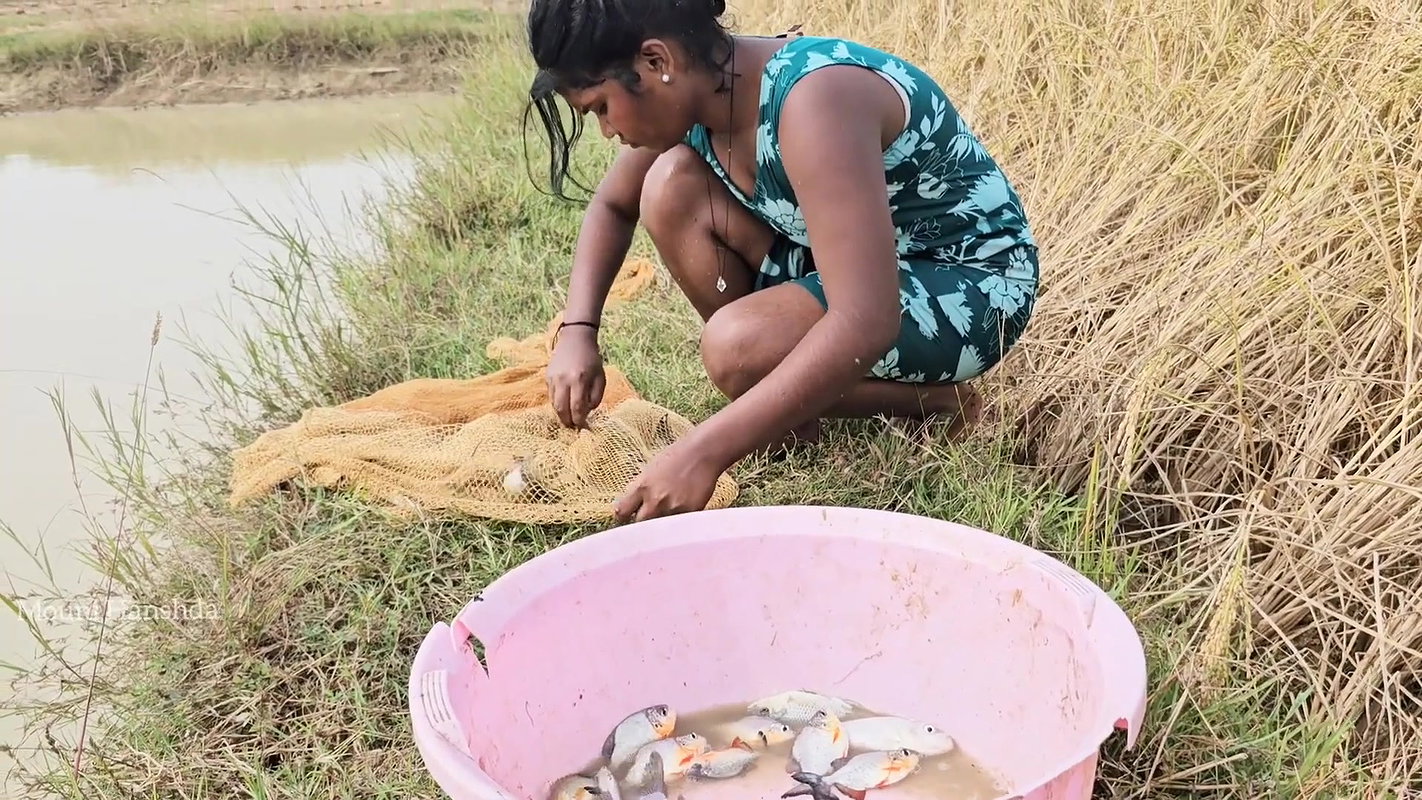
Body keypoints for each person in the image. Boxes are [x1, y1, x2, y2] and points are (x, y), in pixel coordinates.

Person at [523, 0, 1039, 523]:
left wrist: (702, 453)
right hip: (852, 262)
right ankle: (791, 411)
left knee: (736, 348)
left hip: (971, 283)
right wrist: (578, 331)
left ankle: (934, 401)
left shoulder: (814, 100)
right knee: (670, 186)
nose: (607, 131)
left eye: (600, 108)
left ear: (657, 63)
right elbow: (614, 206)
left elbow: (866, 321)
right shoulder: (701, 96)